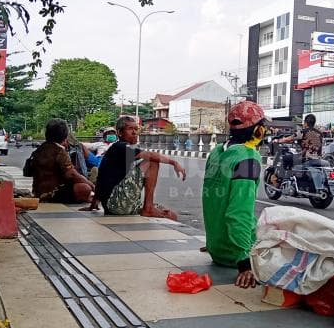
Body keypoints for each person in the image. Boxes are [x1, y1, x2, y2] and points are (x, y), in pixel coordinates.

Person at [202, 101, 269, 288]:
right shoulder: (248, 158)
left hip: (216, 249)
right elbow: (239, 213)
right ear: (258, 131)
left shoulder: (216, 153)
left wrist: (215, 239)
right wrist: (244, 262)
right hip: (236, 254)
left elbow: (211, 202)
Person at [86, 116, 186, 219]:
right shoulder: (121, 146)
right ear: (120, 133)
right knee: (152, 161)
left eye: (135, 129)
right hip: (116, 203)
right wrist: (174, 163)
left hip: (114, 205)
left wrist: (94, 203)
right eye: (130, 129)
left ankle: (149, 208)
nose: (134, 132)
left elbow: (102, 176)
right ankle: (148, 208)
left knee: (170, 215)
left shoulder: (118, 149)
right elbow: (150, 155)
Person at [30, 119, 94, 203]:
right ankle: (86, 198)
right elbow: (71, 174)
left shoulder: (40, 149)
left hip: (38, 191)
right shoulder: (59, 151)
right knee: (84, 187)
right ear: (65, 135)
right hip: (53, 192)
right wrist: (91, 185)